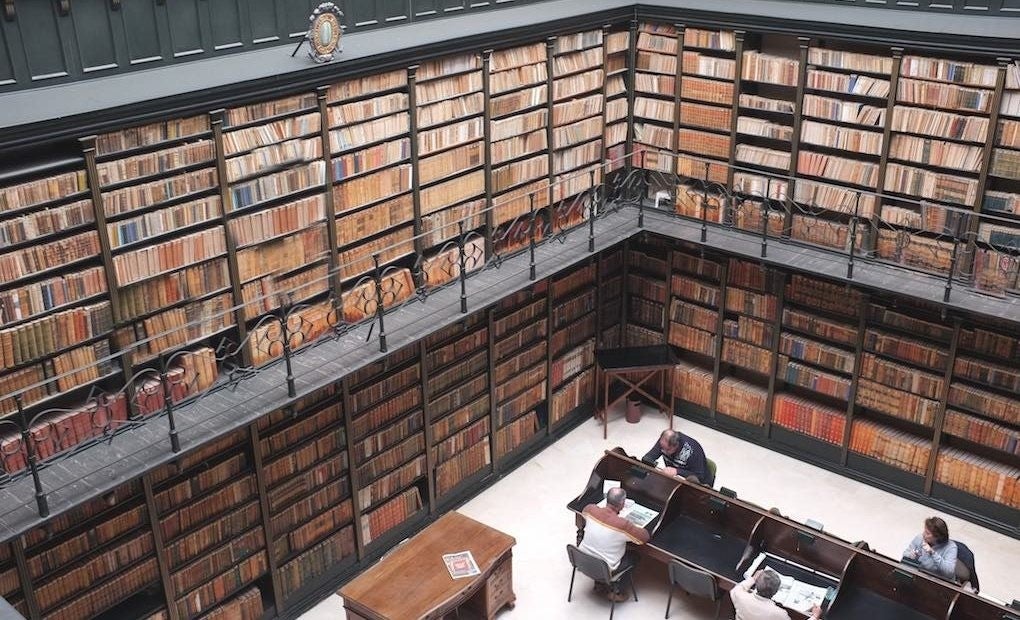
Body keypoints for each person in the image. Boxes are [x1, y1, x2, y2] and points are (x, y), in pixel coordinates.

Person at [578, 487, 650, 602]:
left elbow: (583, 512)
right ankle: (616, 592)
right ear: (622, 504)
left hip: (582, 560)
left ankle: (599, 584)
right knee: (635, 556)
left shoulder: (590, 509)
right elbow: (644, 538)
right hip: (605, 568)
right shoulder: (623, 525)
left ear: (607, 498)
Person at [731, 569, 823, 620]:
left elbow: (737, 588)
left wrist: (753, 579)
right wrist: (815, 617)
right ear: (775, 592)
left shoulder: (740, 596)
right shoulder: (779, 614)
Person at [902, 516, 958, 581]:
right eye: (924, 531)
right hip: (920, 576)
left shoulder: (951, 547)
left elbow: (949, 573)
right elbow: (905, 554)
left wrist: (933, 553)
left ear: (937, 537)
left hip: (938, 581)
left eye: (927, 533)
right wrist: (911, 555)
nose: (923, 534)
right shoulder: (920, 538)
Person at [643, 429, 708, 483]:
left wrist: (677, 471)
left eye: (667, 450)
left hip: (696, 483)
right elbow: (649, 457)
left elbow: (699, 476)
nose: (663, 451)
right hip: (673, 480)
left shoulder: (692, 450)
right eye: (662, 447)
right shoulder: (664, 442)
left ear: (676, 446)